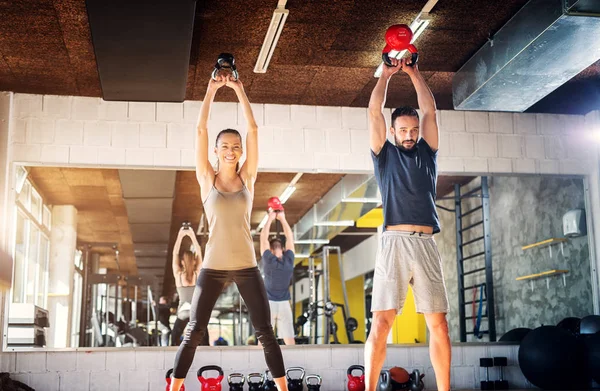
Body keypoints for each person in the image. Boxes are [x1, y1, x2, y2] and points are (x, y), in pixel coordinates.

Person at [169, 74, 288, 391]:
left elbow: (254, 130)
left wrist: (239, 90)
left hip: (247, 267)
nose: (231, 150)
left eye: (236, 147)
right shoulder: (206, 179)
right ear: (216, 151)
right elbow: (199, 130)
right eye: (225, 146)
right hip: (212, 267)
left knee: (264, 330)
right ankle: (175, 387)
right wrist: (210, 91)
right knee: (194, 330)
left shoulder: (248, 178)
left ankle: (284, 388)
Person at [365, 56, 451, 391]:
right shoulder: (384, 154)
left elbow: (430, 110)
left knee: (439, 325)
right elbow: (374, 111)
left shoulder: (429, 151)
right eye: (403, 130)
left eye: (413, 130)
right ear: (392, 131)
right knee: (382, 324)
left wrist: (414, 73)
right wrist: (386, 76)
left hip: (426, 245)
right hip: (395, 243)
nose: (410, 135)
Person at [260, 210, 296, 345]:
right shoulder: (289, 261)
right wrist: (283, 219)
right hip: (284, 303)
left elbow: (263, 238)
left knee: (263, 339)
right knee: (289, 340)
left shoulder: (269, 261)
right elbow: (290, 238)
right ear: (283, 248)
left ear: (270, 249)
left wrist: (270, 218)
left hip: (268, 303)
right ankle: (295, 363)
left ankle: (257, 364)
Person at [170, 225, 203, 346]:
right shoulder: (197, 274)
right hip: (197, 312)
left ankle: (175, 360)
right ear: (194, 260)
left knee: (174, 339)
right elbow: (199, 251)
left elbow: (175, 253)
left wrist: (181, 235)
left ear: (182, 261)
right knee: (203, 340)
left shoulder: (178, 275)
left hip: (183, 312)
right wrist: (192, 235)